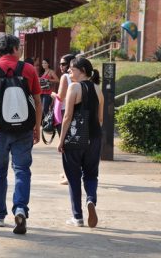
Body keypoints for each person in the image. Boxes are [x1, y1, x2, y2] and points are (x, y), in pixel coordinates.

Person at [0, 34, 42, 235]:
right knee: (22, 170)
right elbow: (38, 102)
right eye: (20, 47)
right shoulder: (29, 69)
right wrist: (37, 127)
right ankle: (20, 208)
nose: (21, 50)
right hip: (23, 129)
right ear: (14, 49)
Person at [57, 57, 104, 228]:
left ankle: (77, 217)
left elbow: (67, 117)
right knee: (91, 174)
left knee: (74, 177)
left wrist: (61, 140)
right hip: (95, 138)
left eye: (72, 69)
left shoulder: (74, 87)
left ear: (82, 70)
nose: (69, 71)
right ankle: (90, 199)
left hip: (75, 138)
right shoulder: (98, 89)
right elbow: (100, 118)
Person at [51, 54, 76, 185]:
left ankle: (68, 174)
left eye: (64, 64)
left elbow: (60, 97)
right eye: (60, 64)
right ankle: (67, 171)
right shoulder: (80, 77)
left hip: (64, 112)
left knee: (64, 144)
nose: (61, 66)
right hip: (77, 113)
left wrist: (52, 94)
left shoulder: (65, 77)